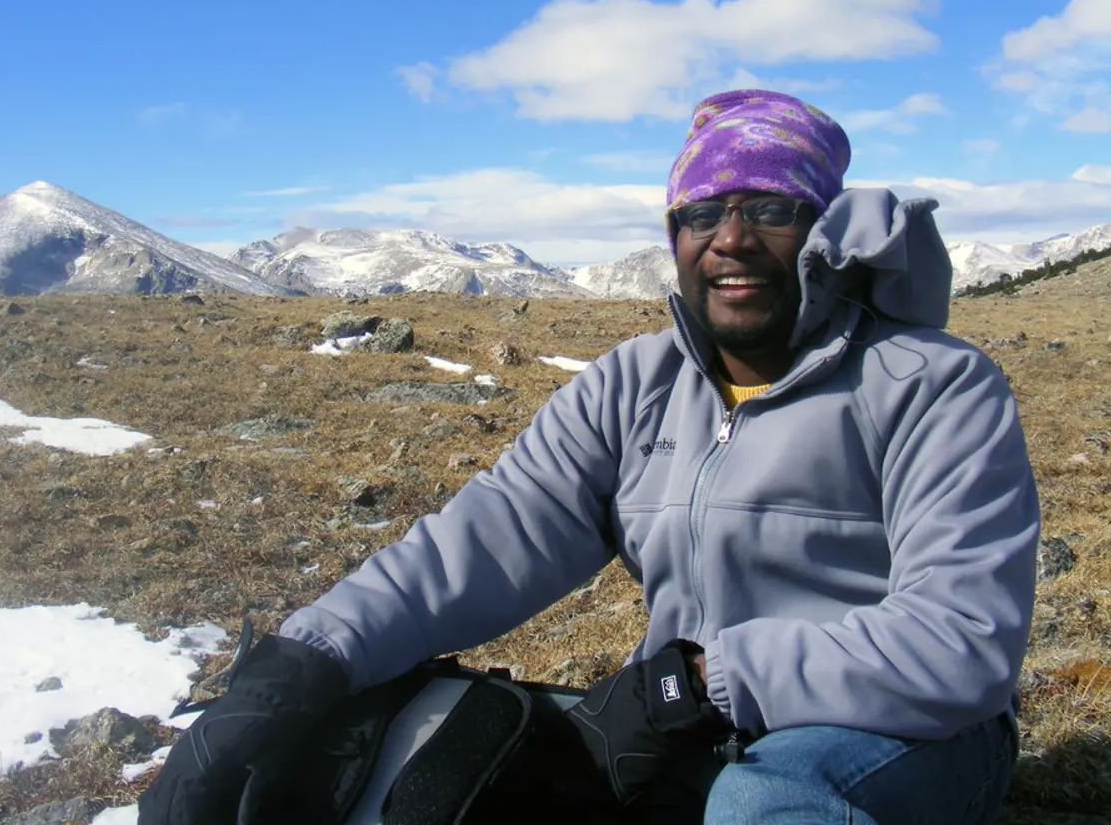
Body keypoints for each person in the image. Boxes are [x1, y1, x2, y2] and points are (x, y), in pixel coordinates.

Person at [139, 90, 1040, 824]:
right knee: (421, 743)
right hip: (684, 724)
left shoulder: (933, 386)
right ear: (675, 238)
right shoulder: (633, 385)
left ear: (822, 231)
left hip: (900, 735)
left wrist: (699, 682)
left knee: (768, 801)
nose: (731, 239)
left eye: (770, 209)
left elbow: (958, 644)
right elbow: (487, 536)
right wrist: (308, 661)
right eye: (700, 215)